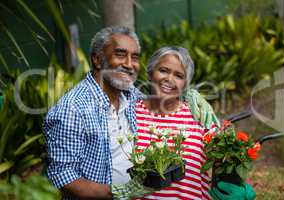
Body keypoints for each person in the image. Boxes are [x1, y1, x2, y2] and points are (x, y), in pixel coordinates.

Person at [132, 46, 256, 200]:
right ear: (150, 73)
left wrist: (237, 186)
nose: (169, 79)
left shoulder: (200, 117)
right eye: (163, 70)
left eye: (178, 75)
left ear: (185, 84)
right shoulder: (130, 114)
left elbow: (223, 166)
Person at [43, 26, 148, 200]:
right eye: (120, 55)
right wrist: (122, 193)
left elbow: (162, 106)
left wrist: (192, 98)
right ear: (98, 60)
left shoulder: (131, 94)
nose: (130, 64)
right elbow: (63, 176)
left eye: (135, 57)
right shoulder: (72, 109)